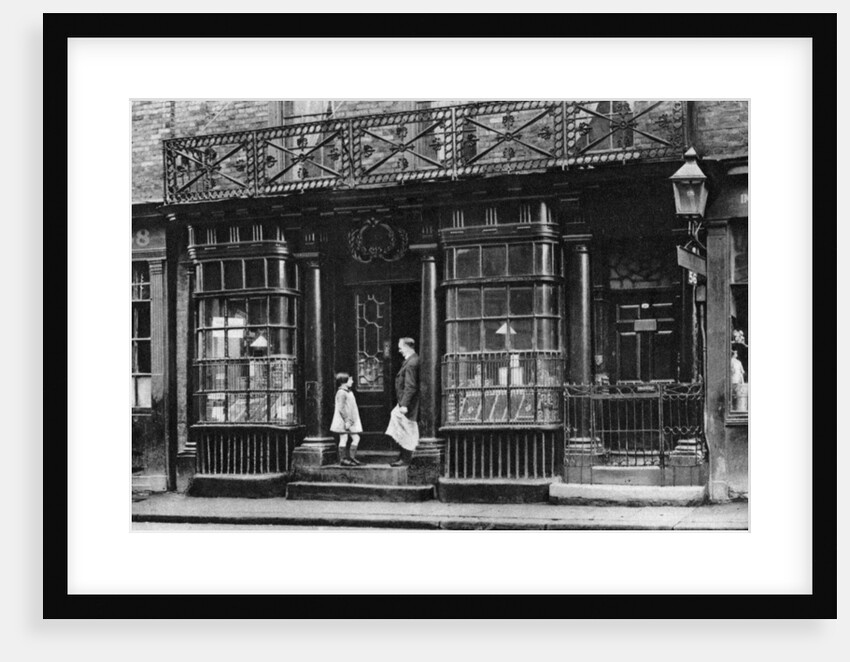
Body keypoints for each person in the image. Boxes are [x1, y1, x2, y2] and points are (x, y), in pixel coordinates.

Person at [385, 337, 420, 467]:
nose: (399, 350)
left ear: (407, 347)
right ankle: (404, 455)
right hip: (404, 402)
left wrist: (404, 404)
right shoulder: (411, 360)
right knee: (400, 423)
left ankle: (406, 458)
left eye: (401, 347)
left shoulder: (411, 363)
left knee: (407, 429)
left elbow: (411, 386)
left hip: (408, 404)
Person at [330, 372, 363, 467]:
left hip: (350, 421)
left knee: (355, 438)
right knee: (344, 438)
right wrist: (346, 420)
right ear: (344, 382)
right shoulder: (341, 392)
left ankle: (351, 458)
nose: (352, 381)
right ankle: (343, 459)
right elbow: (341, 408)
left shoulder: (348, 392)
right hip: (344, 421)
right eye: (350, 380)